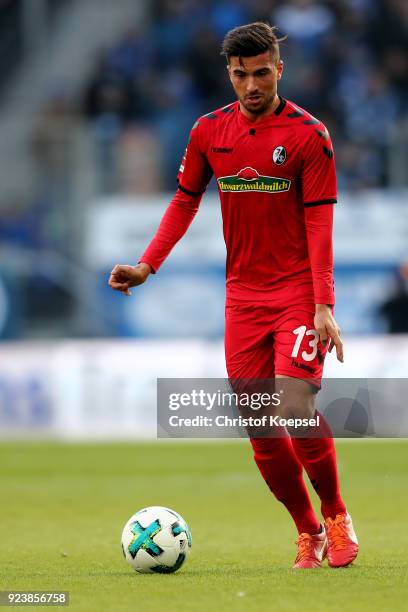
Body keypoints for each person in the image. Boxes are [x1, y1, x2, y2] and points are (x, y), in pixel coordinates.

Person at [109, 22, 359, 569]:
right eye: (241, 75)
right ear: (229, 72)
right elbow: (183, 201)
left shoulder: (308, 135)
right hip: (242, 297)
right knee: (261, 427)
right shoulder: (207, 132)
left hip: (296, 292)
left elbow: (320, 225)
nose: (251, 85)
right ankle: (308, 530)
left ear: (279, 69)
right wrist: (149, 264)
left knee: (294, 408)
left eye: (262, 73)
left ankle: (337, 515)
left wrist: (323, 305)